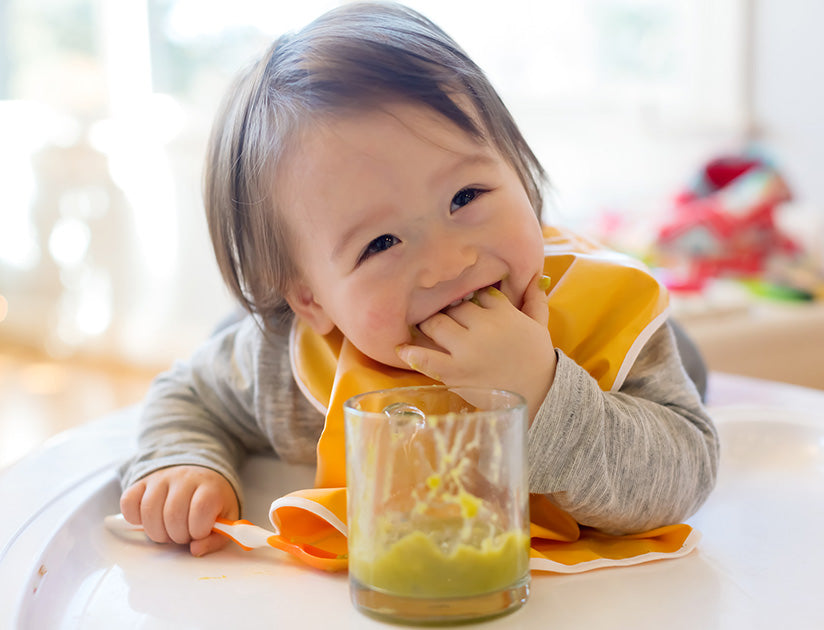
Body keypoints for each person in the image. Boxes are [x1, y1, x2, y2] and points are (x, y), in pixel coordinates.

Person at [119, 1, 718, 558]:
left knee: (689, 362)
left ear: (521, 175)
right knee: (231, 333)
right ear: (310, 299)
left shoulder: (602, 328)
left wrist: (543, 395)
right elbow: (190, 394)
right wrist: (184, 464)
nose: (449, 262)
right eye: (381, 243)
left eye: (467, 195)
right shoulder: (290, 369)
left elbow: (685, 472)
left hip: (611, 359)